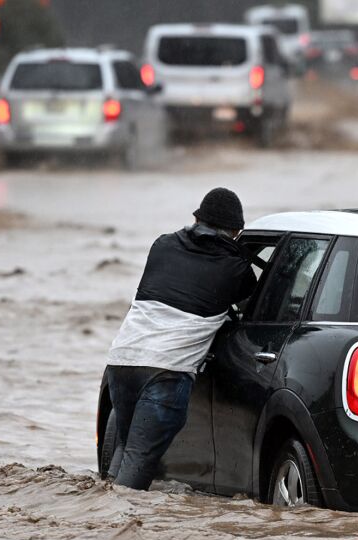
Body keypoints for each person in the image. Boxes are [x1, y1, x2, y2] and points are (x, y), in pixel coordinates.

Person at [104, 187, 257, 490]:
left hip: (122, 360)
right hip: (166, 370)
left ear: (196, 218)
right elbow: (248, 303)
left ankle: (96, 516)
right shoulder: (236, 269)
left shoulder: (162, 246)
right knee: (138, 465)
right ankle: (117, 529)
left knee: (124, 450)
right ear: (236, 231)